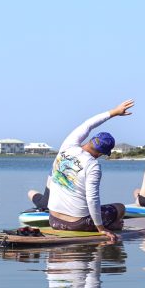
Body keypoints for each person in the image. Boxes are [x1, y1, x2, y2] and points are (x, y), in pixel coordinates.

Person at [48, 100, 134, 242]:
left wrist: (114, 112)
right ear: (102, 153)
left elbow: (88, 124)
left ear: (90, 140)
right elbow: (92, 199)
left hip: (54, 220)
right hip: (77, 224)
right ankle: (112, 225)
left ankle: (112, 225)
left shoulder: (67, 146)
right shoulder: (92, 165)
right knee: (120, 208)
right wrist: (101, 228)